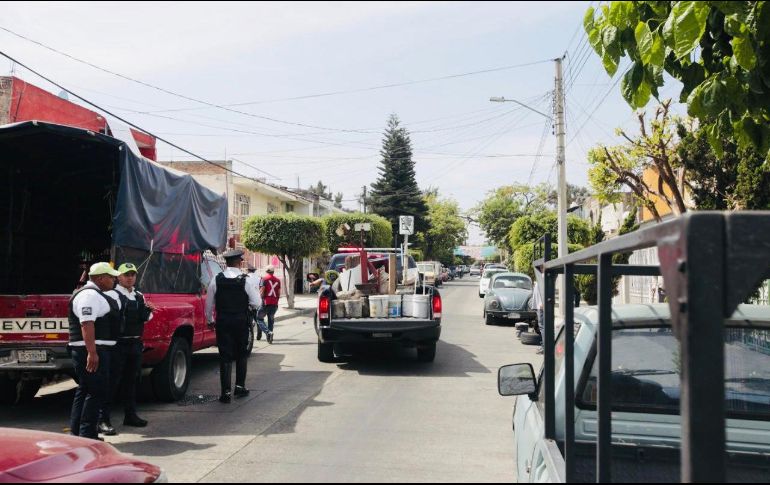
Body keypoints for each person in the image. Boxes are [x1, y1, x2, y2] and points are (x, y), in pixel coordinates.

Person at [97, 263, 156, 435]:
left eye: (132, 274)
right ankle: (103, 420)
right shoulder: (112, 294)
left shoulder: (138, 296)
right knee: (112, 383)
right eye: (126, 274)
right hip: (117, 345)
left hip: (135, 344)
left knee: (131, 381)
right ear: (118, 277)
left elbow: (146, 317)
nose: (129, 277)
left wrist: (148, 311)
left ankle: (130, 415)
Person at [69, 262, 121, 440]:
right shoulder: (89, 295)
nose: (114, 280)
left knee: (85, 390)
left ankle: (77, 433)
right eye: (111, 277)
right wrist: (92, 352)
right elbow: (86, 323)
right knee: (96, 392)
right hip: (90, 350)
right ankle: (87, 435)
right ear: (100, 278)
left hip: (92, 349)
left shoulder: (95, 294)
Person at [205, 249, 261, 403]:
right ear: (239, 262)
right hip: (241, 321)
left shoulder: (217, 279)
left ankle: (225, 393)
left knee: (225, 356)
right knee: (241, 354)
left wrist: (210, 319)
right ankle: (240, 387)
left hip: (223, 321)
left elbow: (209, 303)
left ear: (226, 263)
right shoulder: (246, 280)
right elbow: (257, 302)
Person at [260, 265, 281, 344]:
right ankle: (270, 336)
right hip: (274, 303)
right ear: (273, 272)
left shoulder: (264, 279)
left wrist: (261, 300)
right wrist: (276, 301)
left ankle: (268, 332)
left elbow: (262, 291)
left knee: (259, 318)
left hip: (266, 302)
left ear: (266, 271)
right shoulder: (278, 280)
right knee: (271, 320)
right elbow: (278, 293)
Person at [531, 280, 545, 355]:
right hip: (539, 306)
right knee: (542, 327)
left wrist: (542, 303)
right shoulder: (540, 278)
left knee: (543, 327)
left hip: (541, 307)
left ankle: (544, 347)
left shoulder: (543, 277)